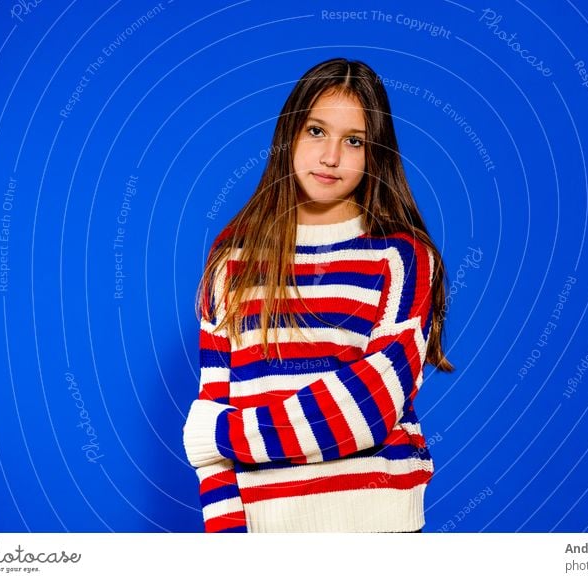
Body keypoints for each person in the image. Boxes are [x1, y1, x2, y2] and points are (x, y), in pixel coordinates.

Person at [183, 57, 454, 533]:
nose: (331, 156)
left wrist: (222, 435)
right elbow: (214, 407)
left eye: (354, 141)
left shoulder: (402, 258)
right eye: (315, 131)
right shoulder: (232, 260)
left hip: (377, 528)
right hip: (261, 532)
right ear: (290, 134)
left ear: (375, 153)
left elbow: (369, 408)